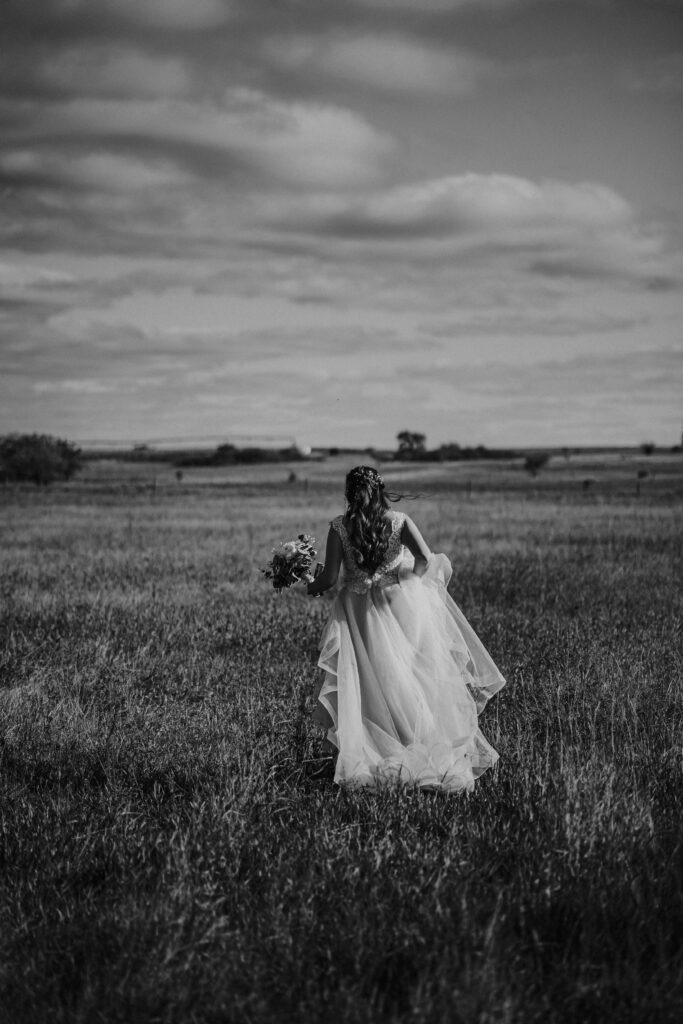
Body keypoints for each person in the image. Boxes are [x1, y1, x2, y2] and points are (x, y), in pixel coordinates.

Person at [306, 465, 505, 791]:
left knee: (368, 684)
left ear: (348, 493)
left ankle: (377, 753)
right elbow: (425, 558)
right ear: (380, 489)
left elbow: (327, 579)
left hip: (357, 610)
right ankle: (421, 749)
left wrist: (310, 584)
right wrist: (406, 579)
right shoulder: (399, 521)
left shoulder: (339, 527)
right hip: (399, 604)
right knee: (407, 677)